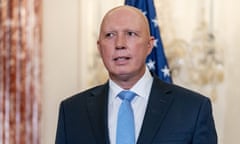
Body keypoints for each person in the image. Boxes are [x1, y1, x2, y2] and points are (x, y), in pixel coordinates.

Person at [55, 5, 217, 144]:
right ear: (99, 47)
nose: (119, 44)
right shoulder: (72, 112)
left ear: (149, 45)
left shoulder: (193, 109)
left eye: (131, 34)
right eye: (110, 35)